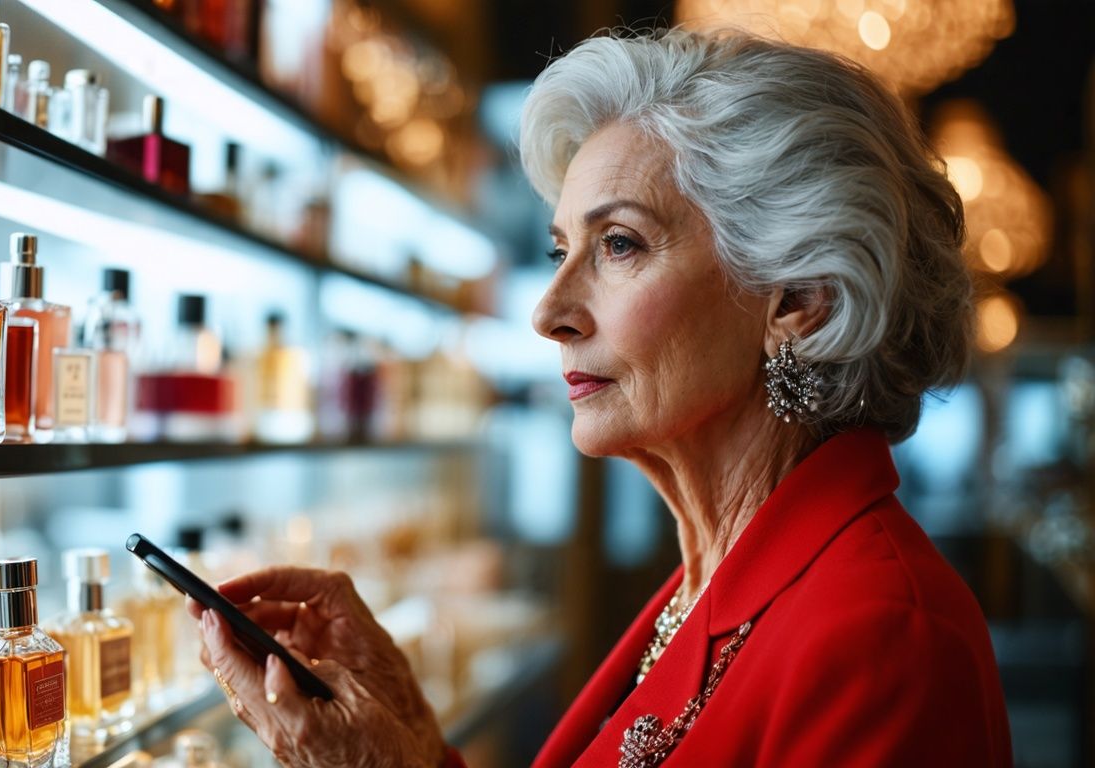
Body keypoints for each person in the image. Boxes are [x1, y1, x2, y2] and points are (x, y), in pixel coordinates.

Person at [190, 27, 1013, 767]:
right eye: (560, 249)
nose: (548, 313)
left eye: (620, 244)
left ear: (799, 299)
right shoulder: (712, 578)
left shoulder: (884, 634)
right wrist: (403, 752)